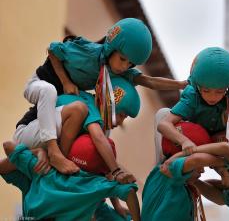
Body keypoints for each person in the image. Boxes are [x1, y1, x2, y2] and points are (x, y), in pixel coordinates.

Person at [22, 17, 187, 173]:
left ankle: (101, 170)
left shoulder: (114, 72)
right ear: (111, 47)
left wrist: (180, 84)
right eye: (122, 59)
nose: (124, 66)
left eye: (130, 63)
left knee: (102, 122)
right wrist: (65, 82)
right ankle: (53, 151)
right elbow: (53, 50)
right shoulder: (89, 52)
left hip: (62, 104)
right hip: (40, 84)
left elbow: (149, 81)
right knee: (49, 91)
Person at [1, 76, 140, 184]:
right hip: (28, 132)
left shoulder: (103, 128)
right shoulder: (89, 103)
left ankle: (42, 155)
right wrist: (117, 171)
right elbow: (98, 138)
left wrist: (116, 204)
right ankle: (58, 158)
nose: (121, 122)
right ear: (109, 104)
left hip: (38, 142)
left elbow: (102, 166)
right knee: (79, 109)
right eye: (121, 115)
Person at [1, 140, 141, 221]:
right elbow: (127, 190)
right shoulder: (93, 186)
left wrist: (39, 152)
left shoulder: (46, 172)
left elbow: (8, 146)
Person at [156, 47, 229, 184]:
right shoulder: (192, 95)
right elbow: (163, 124)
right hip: (195, 142)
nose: (213, 97)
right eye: (206, 90)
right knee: (162, 113)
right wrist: (184, 141)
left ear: (228, 88)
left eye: (219, 91)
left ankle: (226, 176)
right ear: (198, 86)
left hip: (220, 143)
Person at [141, 136, 227, 221]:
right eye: (202, 165)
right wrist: (227, 163)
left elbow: (222, 199)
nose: (202, 171)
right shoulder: (168, 170)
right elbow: (196, 159)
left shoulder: (177, 182)